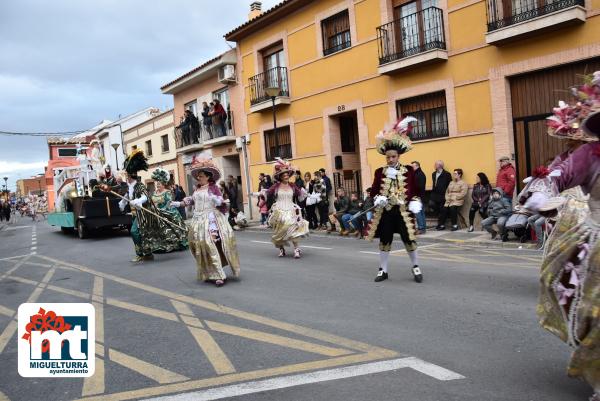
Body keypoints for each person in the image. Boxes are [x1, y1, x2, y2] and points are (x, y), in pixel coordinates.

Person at [528, 74, 600, 399]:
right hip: (597, 239)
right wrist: (541, 195)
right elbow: (556, 178)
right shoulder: (588, 156)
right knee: (594, 313)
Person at [368, 117, 423, 283]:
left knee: (409, 239)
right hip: (386, 212)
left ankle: (416, 266)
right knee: (385, 240)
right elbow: (374, 190)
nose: (390, 160)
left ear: (398, 156)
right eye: (388, 157)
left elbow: (415, 190)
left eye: (393, 157)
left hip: (403, 211)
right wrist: (378, 198)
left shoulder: (408, 171)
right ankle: (383, 269)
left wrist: (414, 200)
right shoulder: (380, 172)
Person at [171, 159, 240, 287]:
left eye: (201, 176)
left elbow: (222, 201)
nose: (199, 178)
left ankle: (219, 275)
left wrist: (218, 200)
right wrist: (179, 203)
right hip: (198, 221)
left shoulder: (214, 188)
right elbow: (192, 200)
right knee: (199, 246)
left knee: (210, 244)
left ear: (208, 177)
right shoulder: (197, 189)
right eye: (198, 176)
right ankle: (209, 273)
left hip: (211, 219)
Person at [109, 150, 187, 262]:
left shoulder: (139, 185)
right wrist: (122, 203)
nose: (126, 177)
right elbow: (127, 195)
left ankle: (140, 254)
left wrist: (138, 201)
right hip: (135, 213)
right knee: (144, 234)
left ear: (132, 176)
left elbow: (145, 196)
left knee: (134, 231)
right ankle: (147, 254)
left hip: (143, 213)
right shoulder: (130, 187)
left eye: (127, 176)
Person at [266, 159, 309, 258]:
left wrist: (305, 192)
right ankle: (281, 249)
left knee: (293, 228)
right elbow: (267, 193)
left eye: (287, 175)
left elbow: (300, 195)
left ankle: (296, 249)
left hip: (290, 210)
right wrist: (262, 194)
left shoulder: (292, 186)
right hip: (279, 211)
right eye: (284, 175)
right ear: (280, 177)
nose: (286, 176)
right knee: (279, 230)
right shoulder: (276, 186)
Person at [150, 168, 188, 251]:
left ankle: (175, 244)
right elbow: (152, 202)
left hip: (167, 212)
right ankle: (161, 246)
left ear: (163, 184)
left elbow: (168, 203)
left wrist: (162, 210)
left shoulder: (167, 192)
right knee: (158, 230)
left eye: (159, 184)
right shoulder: (155, 193)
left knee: (172, 228)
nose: (158, 185)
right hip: (156, 212)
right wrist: (153, 207)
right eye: (157, 184)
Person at [411, 161, 427, 234]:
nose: (412, 168)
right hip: (419, 196)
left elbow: (420, 186)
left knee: (418, 213)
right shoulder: (417, 174)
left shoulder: (420, 174)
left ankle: (421, 228)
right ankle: (422, 228)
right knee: (421, 213)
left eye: (413, 166)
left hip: (418, 196)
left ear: (417, 166)